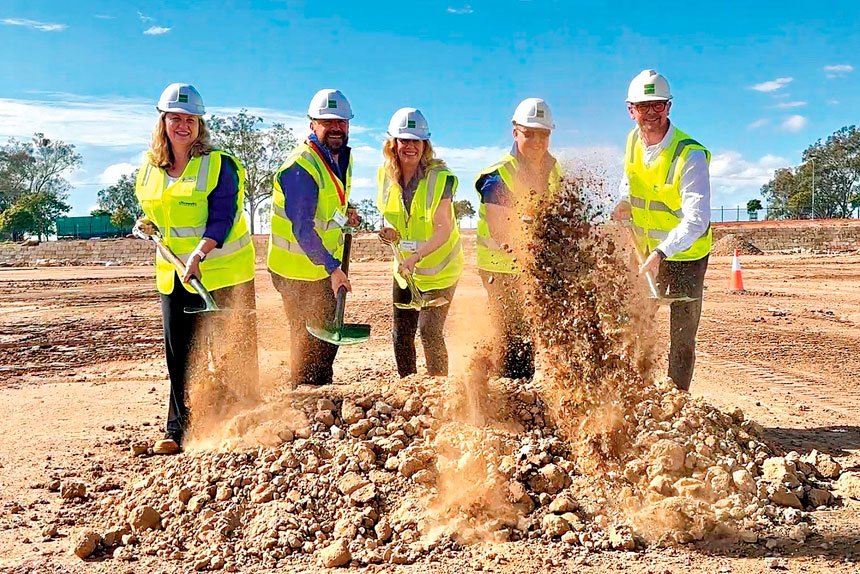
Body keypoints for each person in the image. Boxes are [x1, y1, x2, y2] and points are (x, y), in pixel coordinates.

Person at [135, 83, 258, 454]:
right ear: (163, 122)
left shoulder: (219, 163)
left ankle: (247, 420)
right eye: (175, 118)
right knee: (180, 353)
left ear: (200, 124)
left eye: (190, 119)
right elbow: (154, 211)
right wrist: (145, 225)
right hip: (174, 275)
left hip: (224, 272)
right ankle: (178, 429)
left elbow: (223, 216)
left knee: (236, 351)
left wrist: (200, 254)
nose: (183, 125)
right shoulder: (149, 166)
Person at [612, 69, 712, 392]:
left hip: (685, 255)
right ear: (631, 110)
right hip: (644, 253)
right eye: (644, 107)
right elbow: (628, 182)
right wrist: (623, 201)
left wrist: (662, 252)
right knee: (634, 323)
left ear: (669, 107)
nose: (651, 113)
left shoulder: (690, 154)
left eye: (658, 105)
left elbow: (697, 218)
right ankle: (636, 393)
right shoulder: (630, 142)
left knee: (682, 336)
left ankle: (676, 401)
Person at [268, 88, 359, 386]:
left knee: (326, 339)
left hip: (321, 265)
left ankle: (320, 392)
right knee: (307, 339)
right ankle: (303, 398)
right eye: (327, 122)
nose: (336, 128)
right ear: (312, 124)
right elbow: (302, 228)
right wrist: (333, 268)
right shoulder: (300, 167)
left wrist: (347, 216)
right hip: (296, 269)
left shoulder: (340, 157)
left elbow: (329, 205)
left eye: (341, 122)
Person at [475, 98, 562, 379]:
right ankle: (504, 397)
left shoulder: (554, 169)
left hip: (534, 269)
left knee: (529, 336)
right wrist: (532, 257)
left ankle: (519, 396)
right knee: (513, 338)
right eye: (529, 133)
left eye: (543, 134)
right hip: (501, 269)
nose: (537, 141)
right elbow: (501, 229)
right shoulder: (498, 175)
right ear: (515, 132)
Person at [376, 108, 463, 377]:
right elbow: (393, 218)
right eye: (404, 140)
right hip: (405, 270)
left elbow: (442, 229)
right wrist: (389, 232)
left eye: (417, 140)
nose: (410, 146)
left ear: (425, 144)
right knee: (401, 333)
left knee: (429, 331)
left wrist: (416, 257)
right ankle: (409, 387)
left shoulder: (441, 178)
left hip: (440, 271)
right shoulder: (385, 176)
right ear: (394, 144)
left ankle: (439, 391)